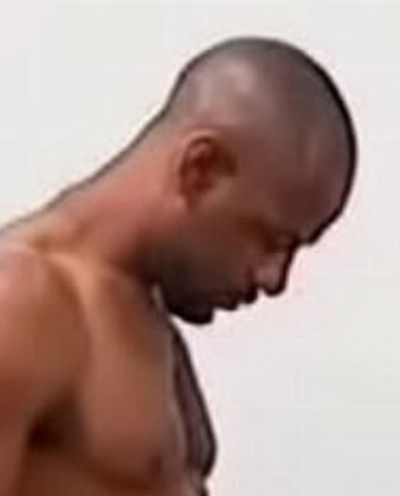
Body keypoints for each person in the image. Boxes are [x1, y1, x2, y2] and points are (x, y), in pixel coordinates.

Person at [0, 37, 357, 496]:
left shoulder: (143, 310)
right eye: (270, 240)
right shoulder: (21, 303)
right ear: (200, 169)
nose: (274, 279)